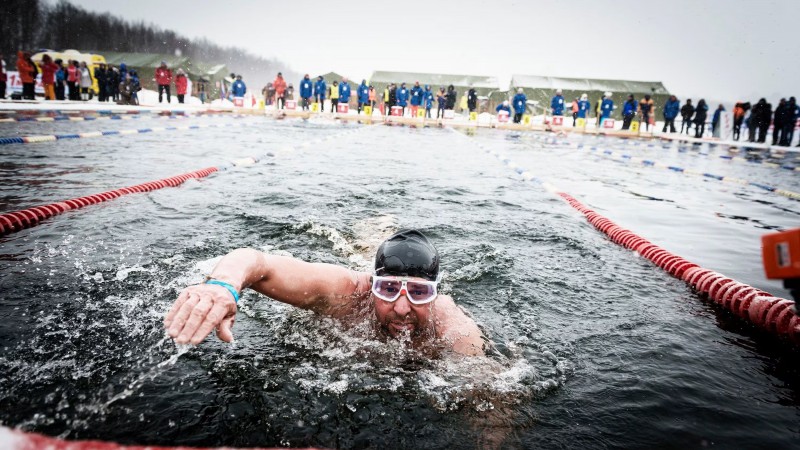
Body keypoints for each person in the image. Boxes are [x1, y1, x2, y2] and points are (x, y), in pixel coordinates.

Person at [164, 229, 485, 356]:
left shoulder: (450, 323)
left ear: (435, 294)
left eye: (418, 292)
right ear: (372, 286)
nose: (402, 307)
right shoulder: (347, 292)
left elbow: (489, 390)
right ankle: (370, 233)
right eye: (387, 288)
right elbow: (256, 261)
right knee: (361, 249)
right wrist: (223, 285)